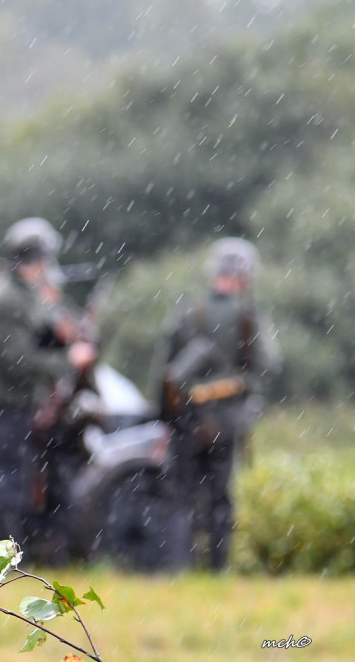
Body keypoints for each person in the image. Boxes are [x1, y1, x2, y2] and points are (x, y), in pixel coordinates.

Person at [0, 218, 96, 564]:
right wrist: (68, 361)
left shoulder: (19, 292)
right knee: (3, 484)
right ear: (39, 259)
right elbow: (17, 359)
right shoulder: (8, 299)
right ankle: (3, 559)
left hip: (8, 403)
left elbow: (38, 331)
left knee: (1, 478)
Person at [151, 236, 282, 571]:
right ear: (245, 275)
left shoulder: (187, 310)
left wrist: (162, 417)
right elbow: (269, 362)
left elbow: (163, 371)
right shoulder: (248, 314)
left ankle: (178, 566)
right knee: (221, 496)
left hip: (187, 417)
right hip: (228, 417)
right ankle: (218, 568)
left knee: (182, 495)